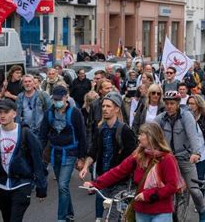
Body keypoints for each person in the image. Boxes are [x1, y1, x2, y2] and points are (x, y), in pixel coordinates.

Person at [83, 122, 180, 222]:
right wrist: (95, 184)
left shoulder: (167, 159)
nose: (138, 138)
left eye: (142, 134)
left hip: (161, 211)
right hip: (141, 210)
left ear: (151, 136)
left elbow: (172, 186)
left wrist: (148, 195)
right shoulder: (138, 156)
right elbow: (118, 171)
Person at [0, 99, 48, 222]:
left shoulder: (25, 133)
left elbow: (37, 161)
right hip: (1, 184)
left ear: (14, 114)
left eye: (6, 112)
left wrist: (41, 187)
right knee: (6, 218)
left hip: (22, 183)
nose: (2, 115)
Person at [80, 92, 137, 221]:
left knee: (114, 215)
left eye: (108, 106)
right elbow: (93, 152)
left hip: (119, 181)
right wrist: (85, 167)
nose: (104, 109)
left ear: (117, 109)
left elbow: (132, 158)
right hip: (103, 178)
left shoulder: (125, 131)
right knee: (101, 215)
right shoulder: (100, 129)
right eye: (103, 106)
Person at [155, 90, 205, 222]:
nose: (169, 106)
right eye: (166, 103)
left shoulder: (186, 116)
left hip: (185, 158)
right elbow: (150, 132)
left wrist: (196, 153)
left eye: (172, 103)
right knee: (161, 188)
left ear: (178, 103)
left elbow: (193, 136)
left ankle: (202, 212)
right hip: (167, 160)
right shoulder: (161, 118)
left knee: (194, 190)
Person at [39, 86, 86, 222]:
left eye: (59, 99)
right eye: (55, 99)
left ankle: (61, 218)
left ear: (66, 97)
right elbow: (43, 135)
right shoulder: (49, 113)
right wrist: (40, 152)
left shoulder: (75, 113)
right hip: (56, 153)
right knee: (62, 186)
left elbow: (82, 135)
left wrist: (81, 157)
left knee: (63, 185)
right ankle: (69, 214)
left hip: (70, 153)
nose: (57, 101)